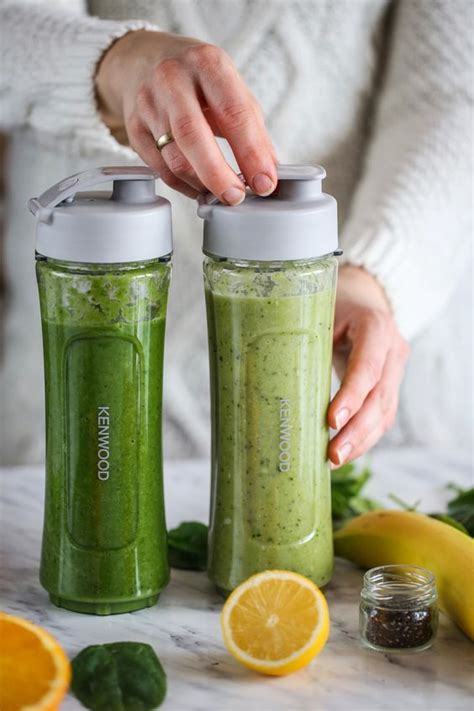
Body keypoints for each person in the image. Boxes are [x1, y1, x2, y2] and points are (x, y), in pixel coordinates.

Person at [0, 0, 472, 465]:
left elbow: (453, 96)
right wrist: (112, 60)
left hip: (368, 432)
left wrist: (371, 279)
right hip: (73, 420)